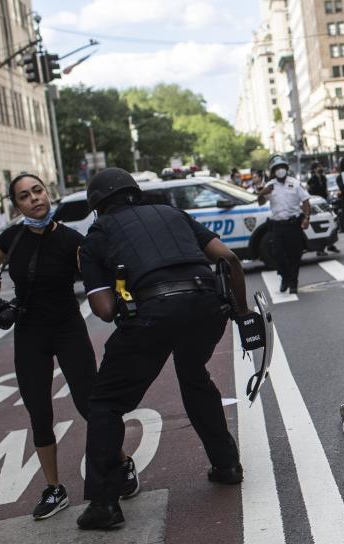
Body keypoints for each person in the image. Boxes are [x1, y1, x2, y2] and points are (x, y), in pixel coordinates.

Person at [77, 168, 248, 529]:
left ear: (97, 205)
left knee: (105, 403)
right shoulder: (173, 213)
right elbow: (229, 260)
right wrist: (243, 312)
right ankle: (227, 465)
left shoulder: (98, 234)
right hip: (206, 307)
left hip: (153, 315)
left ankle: (104, 503)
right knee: (194, 375)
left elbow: (105, 310)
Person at [0, 173, 137, 521]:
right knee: (39, 410)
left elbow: (97, 272)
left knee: (90, 403)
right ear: (16, 204)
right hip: (30, 332)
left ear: (47, 194)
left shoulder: (71, 239)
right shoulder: (12, 237)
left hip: (68, 328)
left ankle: (123, 463)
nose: (34, 198)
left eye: (38, 191)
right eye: (24, 196)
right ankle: (54, 488)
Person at [257, 155, 311, 294]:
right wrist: (262, 193)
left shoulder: (295, 183)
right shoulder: (270, 185)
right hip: (277, 226)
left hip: (293, 225)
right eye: (277, 168)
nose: (280, 170)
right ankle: (284, 277)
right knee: (277, 254)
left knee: (295, 255)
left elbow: (305, 201)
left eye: (282, 167)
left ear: (286, 169)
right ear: (273, 171)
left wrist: (306, 218)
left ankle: (293, 282)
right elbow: (260, 202)